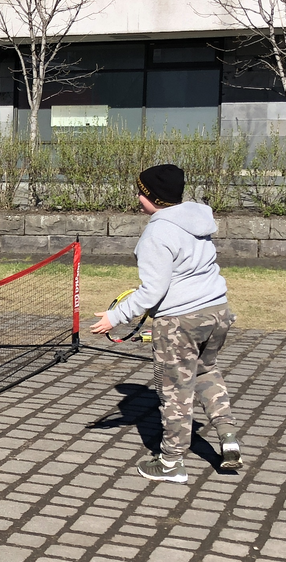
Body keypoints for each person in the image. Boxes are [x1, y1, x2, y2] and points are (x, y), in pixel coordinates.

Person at [90, 163, 241, 483]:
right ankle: (228, 437)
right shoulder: (197, 218)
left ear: (154, 197)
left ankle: (171, 462)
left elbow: (152, 291)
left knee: (176, 392)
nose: (137, 197)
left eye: (140, 192)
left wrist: (114, 317)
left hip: (180, 323)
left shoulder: (156, 233)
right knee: (206, 371)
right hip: (218, 312)